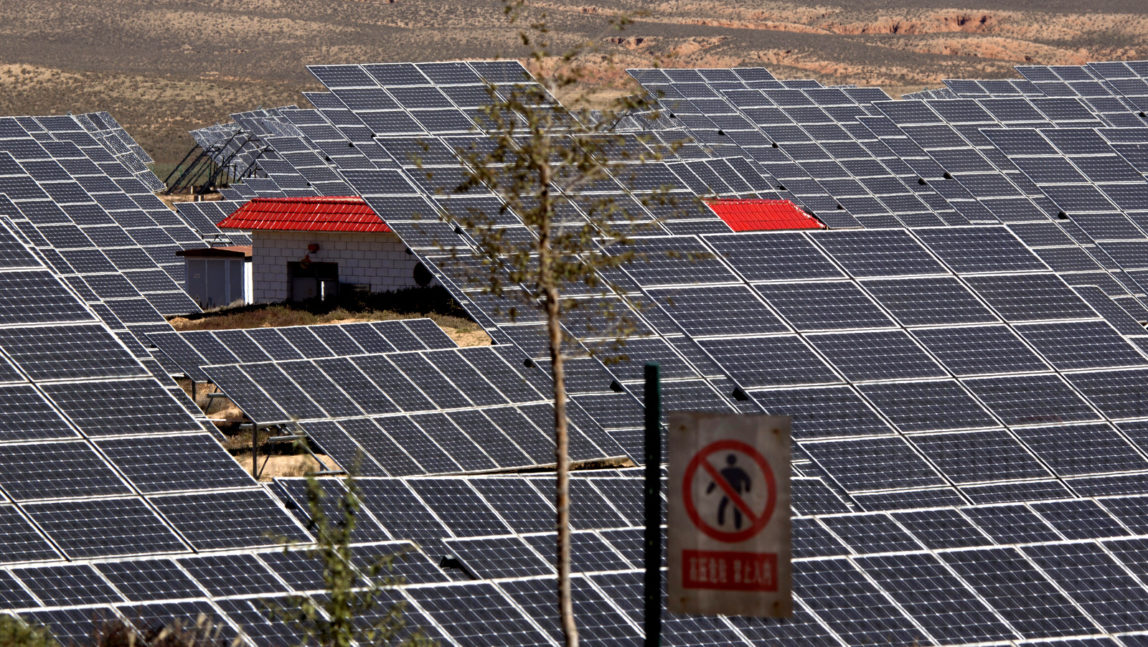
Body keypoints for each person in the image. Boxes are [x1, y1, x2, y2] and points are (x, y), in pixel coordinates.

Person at [706, 454, 751, 529]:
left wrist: (709, 490)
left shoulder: (725, 470)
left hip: (730, 490)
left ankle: (722, 522)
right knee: (735, 508)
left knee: (723, 506)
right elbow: (747, 479)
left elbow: (715, 481)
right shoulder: (738, 470)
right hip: (735, 490)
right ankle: (737, 525)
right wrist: (747, 488)